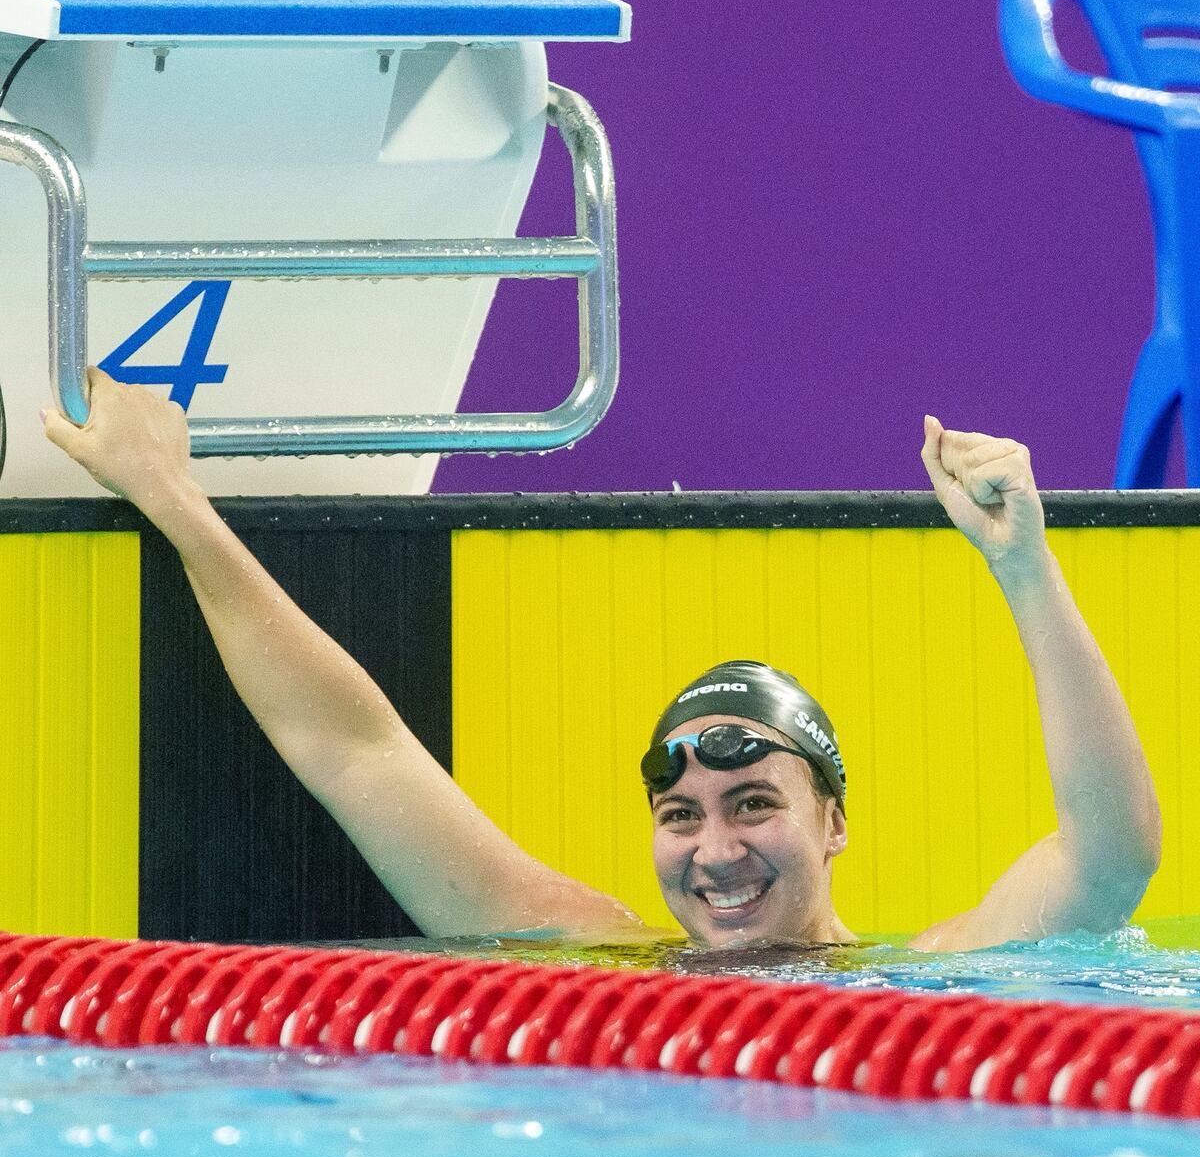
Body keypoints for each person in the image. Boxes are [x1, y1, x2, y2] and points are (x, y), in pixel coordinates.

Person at [42, 371, 1161, 953]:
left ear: (835, 822)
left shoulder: (919, 978)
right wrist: (175, 501)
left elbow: (1110, 860)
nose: (713, 850)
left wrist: (1025, 567)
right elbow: (354, 749)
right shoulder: (593, 957)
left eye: (753, 802)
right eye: (681, 815)